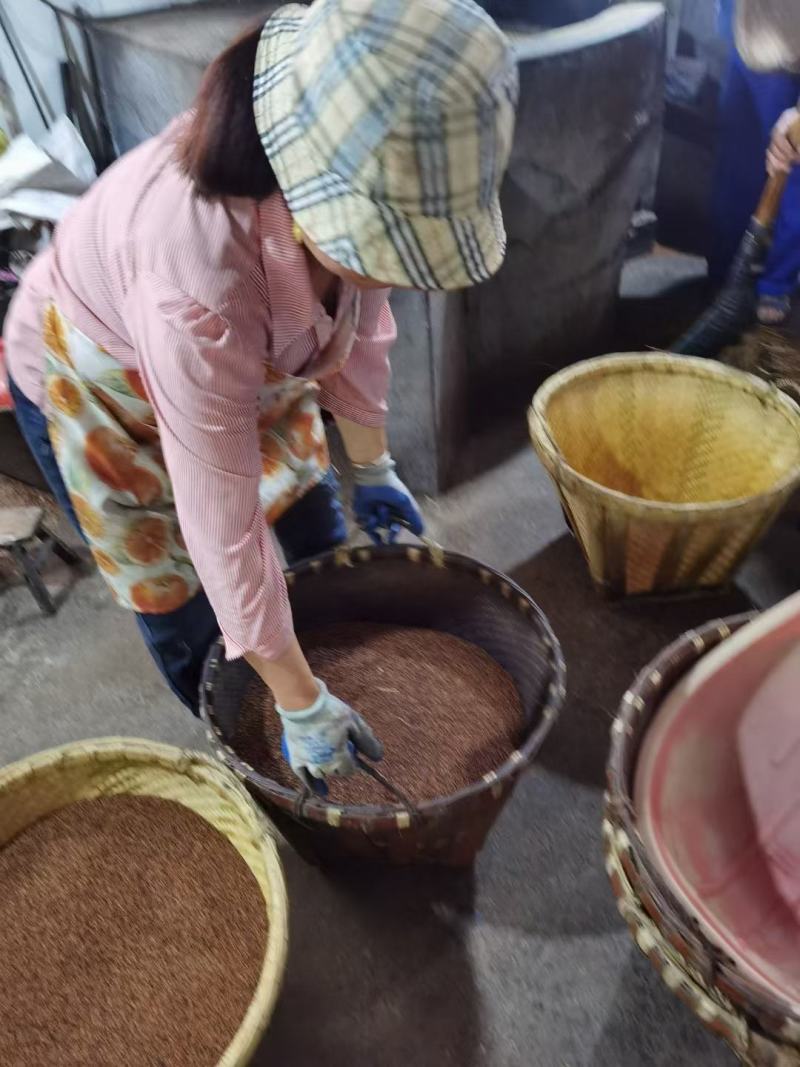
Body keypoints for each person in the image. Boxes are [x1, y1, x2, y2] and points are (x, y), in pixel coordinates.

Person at [4, 0, 518, 786]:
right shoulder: (198, 274)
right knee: (183, 595)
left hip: (240, 353)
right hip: (104, 384)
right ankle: (258, 732)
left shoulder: (336, 203)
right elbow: (220, 518)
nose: (392, 273)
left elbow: (362, 314)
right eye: (381, 248)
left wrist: (372, 462)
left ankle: (312, 670)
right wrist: (296, 697)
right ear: (312, 214)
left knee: (315, 517)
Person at [710, 0, 800, 325]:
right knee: (735, 175)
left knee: (790, 176)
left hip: (790, 57)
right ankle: (728, 276)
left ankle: (775, 285)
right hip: (747, 37)